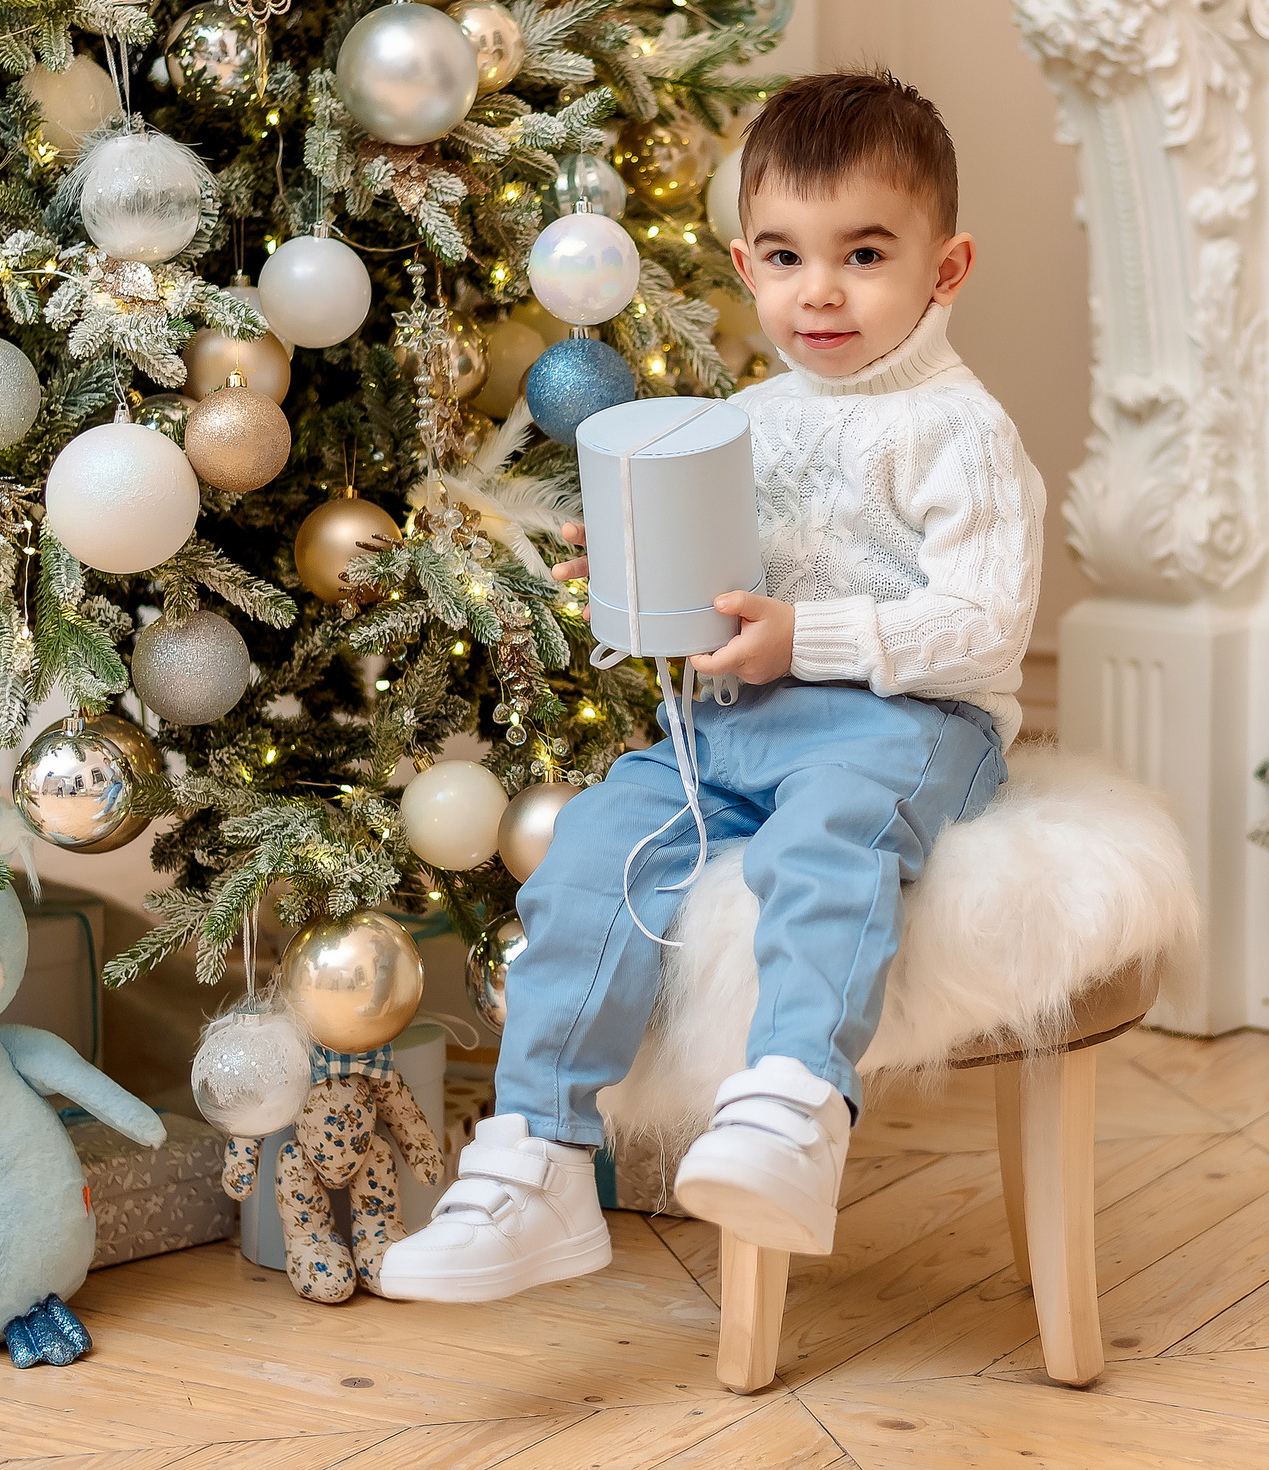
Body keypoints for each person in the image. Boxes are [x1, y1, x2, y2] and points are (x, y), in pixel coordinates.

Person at [377, 70, 1045, 1302]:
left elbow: (984, 627)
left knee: (826, 837)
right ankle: (537, 1158)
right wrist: (641, 566)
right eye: (785, 257)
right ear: (746, 265)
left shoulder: (959, 431)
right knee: (594, 847)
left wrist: (805, 637)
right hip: (734, 725)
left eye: (864, 255)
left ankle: (793, 1104)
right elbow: (725, 590)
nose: (820, 290)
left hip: (907, 724)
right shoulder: (748, 416)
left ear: (944, 269)